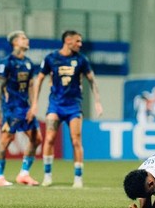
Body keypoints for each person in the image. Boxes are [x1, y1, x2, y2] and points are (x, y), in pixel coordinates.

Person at [29, 30, 103, 188]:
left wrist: (97, 101)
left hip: (74, 106)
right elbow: (40, 79)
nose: (80, 44)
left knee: (76, 140)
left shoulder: (81, 59)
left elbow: (91, 80)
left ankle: (78, 177)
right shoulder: (51, 58)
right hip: (55, 105)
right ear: (68, 41)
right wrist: (35, 103)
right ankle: (47, 176)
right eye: (78, 41)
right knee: (49, 139)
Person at [0, 30, 42, 187]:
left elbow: (32, 85)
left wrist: (34, 106)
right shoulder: (7, 62)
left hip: (25, 108)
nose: (27, 40)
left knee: (37, 138)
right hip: (11, 109)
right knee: (6, 140)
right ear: (15, 42)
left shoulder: (28, 62)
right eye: (23, 38)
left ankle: (24, 174)